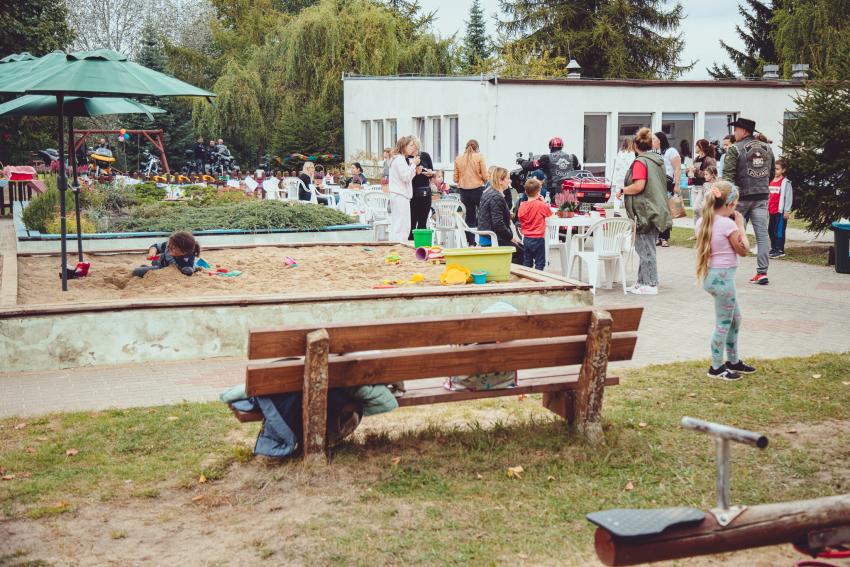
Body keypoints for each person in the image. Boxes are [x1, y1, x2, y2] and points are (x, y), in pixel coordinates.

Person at [695, 180, 756, 380]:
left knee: (735, 319)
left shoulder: (702, 221)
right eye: (735, 204)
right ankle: (716, 367)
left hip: (712, 277)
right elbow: (744, 250)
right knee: (723, 323)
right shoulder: (728, 224)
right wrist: (740, 226)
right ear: (729, 205)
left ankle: (733, 361)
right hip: (723, 279)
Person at [618, 127, 672, 295]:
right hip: (656, 208)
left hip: (645, 211)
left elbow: (639, 186)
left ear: (635, 146)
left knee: (645, 249)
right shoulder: (657, 160)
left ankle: (650, 283)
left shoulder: (640, 162)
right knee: (645, 248)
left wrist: (623, 190)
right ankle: (641, 282)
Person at [722, 117, 775, 285]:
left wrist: (727, 200)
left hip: (741, 198)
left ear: (744, 131)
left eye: (736, 129)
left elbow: (728, 177)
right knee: (762, 235)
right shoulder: (767, 148)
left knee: (732, 233)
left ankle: (726, 271)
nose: (734, 132)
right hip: (761, 196)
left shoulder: (735, 149)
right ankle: (762, 272)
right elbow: (772, 173)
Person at [519, 137, 581, 204]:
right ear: (562, 146)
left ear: (550, 147)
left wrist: (521, 161)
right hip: (570, 190)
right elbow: (578, 170)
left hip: (553, 190)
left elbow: (531, 166)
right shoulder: (572, 157)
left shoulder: (546, 158)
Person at [478, 166, 522, 260]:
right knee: (522, 254)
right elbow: (498, 223)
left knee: (521, 248)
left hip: (487, 236)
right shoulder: (497, 196)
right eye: (508, 178)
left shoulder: (489, 192)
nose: (510, 181)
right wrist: (511, 238)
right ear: (500, 181)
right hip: (492, 238)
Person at [453, 139, 488, 245]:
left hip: (464, 191)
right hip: (478, 190)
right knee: (483, 215)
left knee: (469, 217)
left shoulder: (458, 158)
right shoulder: (480, 157)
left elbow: (455, 179)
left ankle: (471, 242)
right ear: (477, 148)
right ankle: (484, 241)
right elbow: (486, 177)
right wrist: (481, 179)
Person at [652, 131, 681, 247]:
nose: (652, 141)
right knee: (657, 211)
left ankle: (664, 237)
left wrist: (677, 185)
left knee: (665, 212)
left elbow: (677, 168)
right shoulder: (655, 153)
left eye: (654, 139)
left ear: (660, 140)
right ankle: (658, 236)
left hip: (667, 183)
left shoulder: (671, 151)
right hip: (656, 184)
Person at [389, 136, 419, 242]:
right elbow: (406, 177)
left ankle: (396, 243)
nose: (413, 147)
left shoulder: (397, 159)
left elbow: (406, 176)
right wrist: (413, 165)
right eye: (411, 145)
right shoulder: (399, 160)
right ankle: (399, 244)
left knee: (399, 223)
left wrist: (412, 166)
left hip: (398, 194)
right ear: (403, 146)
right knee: (402, 225)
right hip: (400, 195)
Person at [132, 231, 201, 278]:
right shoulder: (170, 244)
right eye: (170, 248)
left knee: (136, 272)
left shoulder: (188, 261)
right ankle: (147, 267)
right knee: (154, 261)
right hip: (160, 259)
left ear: (185, 252)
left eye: (175, 250)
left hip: (163, 267)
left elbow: (190, 271)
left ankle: (146, 267)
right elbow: (156, 246)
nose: (171, 251)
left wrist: (191, 270)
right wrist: (152, 251)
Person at [517, 177, 551, 270]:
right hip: (538, 238)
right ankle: (537, 277)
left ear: (525, 191)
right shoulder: (540, 205)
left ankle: (526, 277)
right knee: (540, 263)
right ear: (538, 192)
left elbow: (520, 218)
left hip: (526, 238)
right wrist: (544, 202)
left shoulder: (522, 206)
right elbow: (549, 213)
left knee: (527, 262)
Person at [768, 159, 793, 258]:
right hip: (771, 210)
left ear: (783, 170)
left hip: (780, 211)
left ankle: (780, 250)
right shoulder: (770, 181)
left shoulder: (786, 182)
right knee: (770, 230)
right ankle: (774, 248)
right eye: (774, 169)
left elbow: (788, 197)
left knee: (779, 231)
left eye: (778, 169)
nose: (775, 171)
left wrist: (787, 210)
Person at [410, 147, 434, 235]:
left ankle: (420, 242)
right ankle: (410, 241)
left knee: (423, 222)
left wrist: (430, 173)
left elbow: (431, 171)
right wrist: (415, 172)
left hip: (425, 193)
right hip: (412, 193)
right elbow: (405, 176)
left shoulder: (425, 155)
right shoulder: (407, 158)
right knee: (412, 223)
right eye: (412, 147)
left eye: (417, 148)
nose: (416, 151)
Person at [690, 165, 717, 240]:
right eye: (704, 174)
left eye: (706, 174)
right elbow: (702, 197)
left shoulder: (717, 185)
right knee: (696, 210)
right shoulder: (705, 184)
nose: (704, 176)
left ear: (712, 175)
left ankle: (708, 234)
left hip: (712, 206)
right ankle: (697, 233)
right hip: (703, 203)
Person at [611, 137, 636, 211]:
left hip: (619, 176)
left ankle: (616, 211)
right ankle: (630, 210)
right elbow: (632, 165)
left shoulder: (620, 153)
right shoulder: (631, 153)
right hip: (628, 176)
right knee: (629, 192)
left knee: (618, 193)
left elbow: (617, 166)